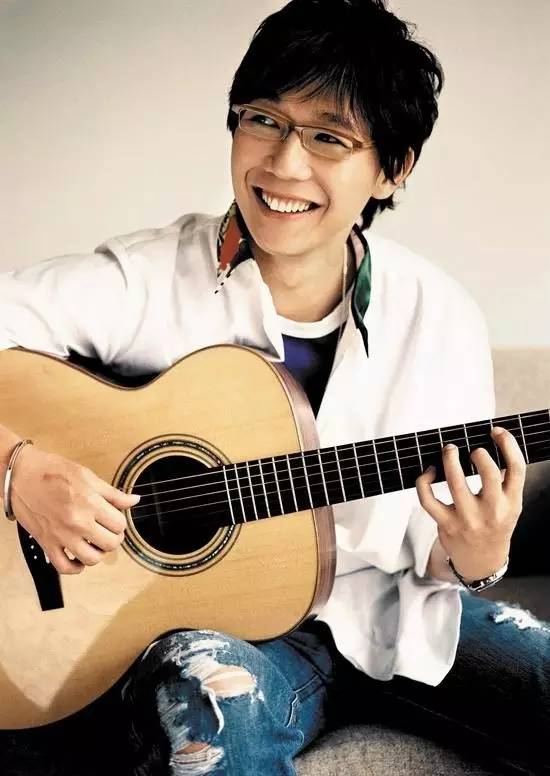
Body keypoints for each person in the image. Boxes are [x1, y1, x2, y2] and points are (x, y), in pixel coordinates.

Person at [0, 1, 547, 774]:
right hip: (234, 640)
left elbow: (443, 554)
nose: (285, 165)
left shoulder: (440, 314)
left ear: (393, 167)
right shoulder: (145, 279)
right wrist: (19, 468)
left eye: (329, 137)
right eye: (264, 120)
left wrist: (476, 555)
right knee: (215, 708)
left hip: (399, 620)